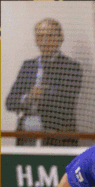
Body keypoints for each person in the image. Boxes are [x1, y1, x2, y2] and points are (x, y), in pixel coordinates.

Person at [5, 19, 82, 147]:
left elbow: (65, 101)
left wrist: (41, 95)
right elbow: (10, 102)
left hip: (57, 136)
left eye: (50, 35)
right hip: (27, 137)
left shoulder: (71, 67)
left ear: (60, 38)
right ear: (36, 41)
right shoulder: (28, 66)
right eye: (40, 36)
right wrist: (28, 97)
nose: (45, 41)